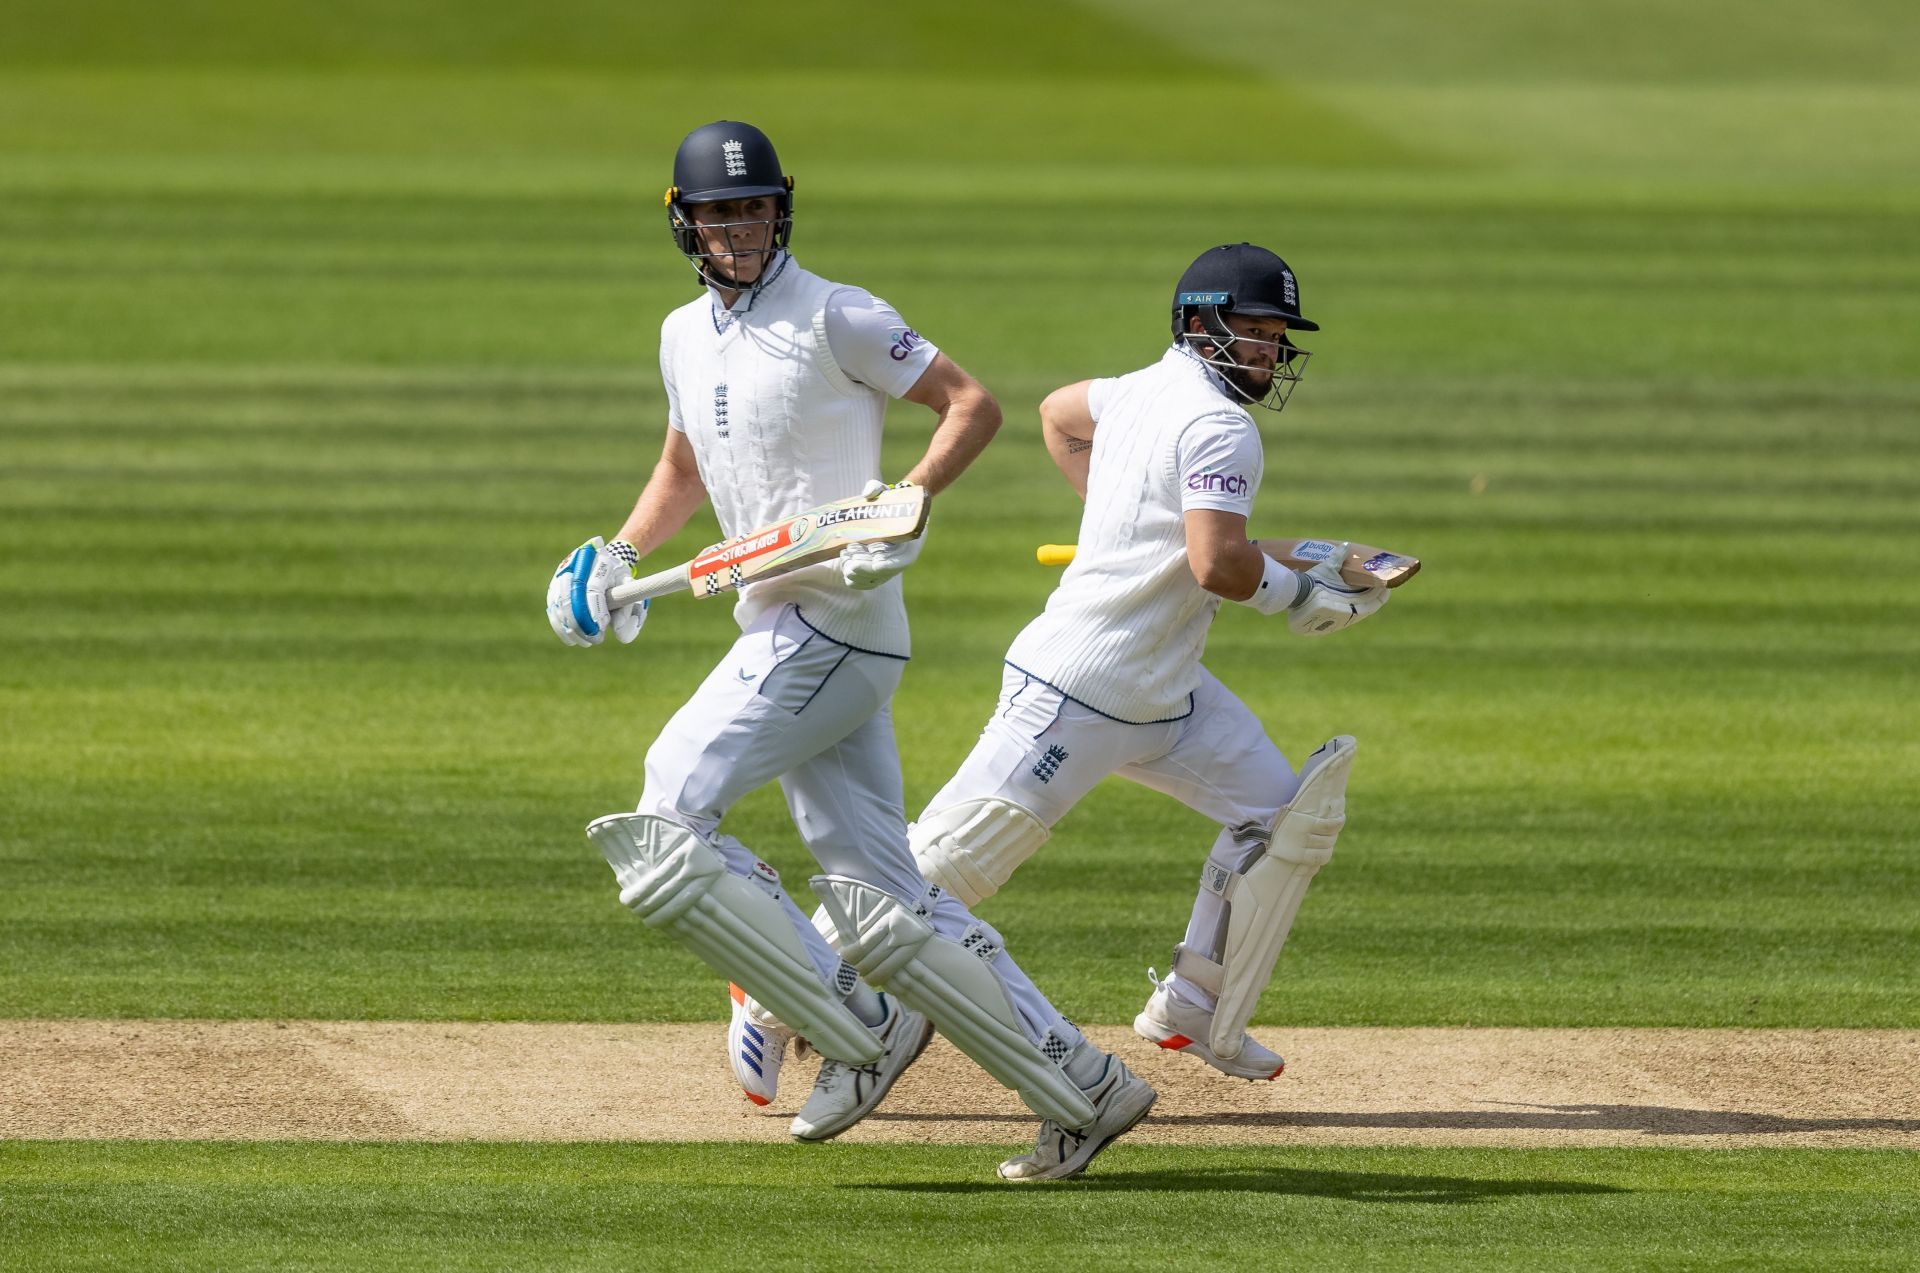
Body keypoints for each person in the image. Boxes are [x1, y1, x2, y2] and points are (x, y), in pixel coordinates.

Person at [546, 121, 1153, 1181]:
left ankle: (851, 1024)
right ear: (683, 223)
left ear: (782, 209)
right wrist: (619, 550)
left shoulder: (839, 315)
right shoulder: (682, 334)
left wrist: (908, 495)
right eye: (720, 213)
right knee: (887, 898)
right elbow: (686, 461)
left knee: (662, 823)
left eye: (756, 208)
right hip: (778, 620)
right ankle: (1083, 1086)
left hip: (835, 618)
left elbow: (973, 404)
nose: (740, 229)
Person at [907, 243, 1388, 1095]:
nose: (1269, 352)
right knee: (947, 867)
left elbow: (1058, 414)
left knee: (1281, 820)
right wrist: (1299, 600)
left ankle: (1193, 1002)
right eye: (1254, 331)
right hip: (1080, 690)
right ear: (1200, 325)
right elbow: (1217, 566)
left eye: (1278, 336)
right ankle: (777, 985)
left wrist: (1125, 521)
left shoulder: (1130, 391)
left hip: (1169, 692)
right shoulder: (1221, 427)